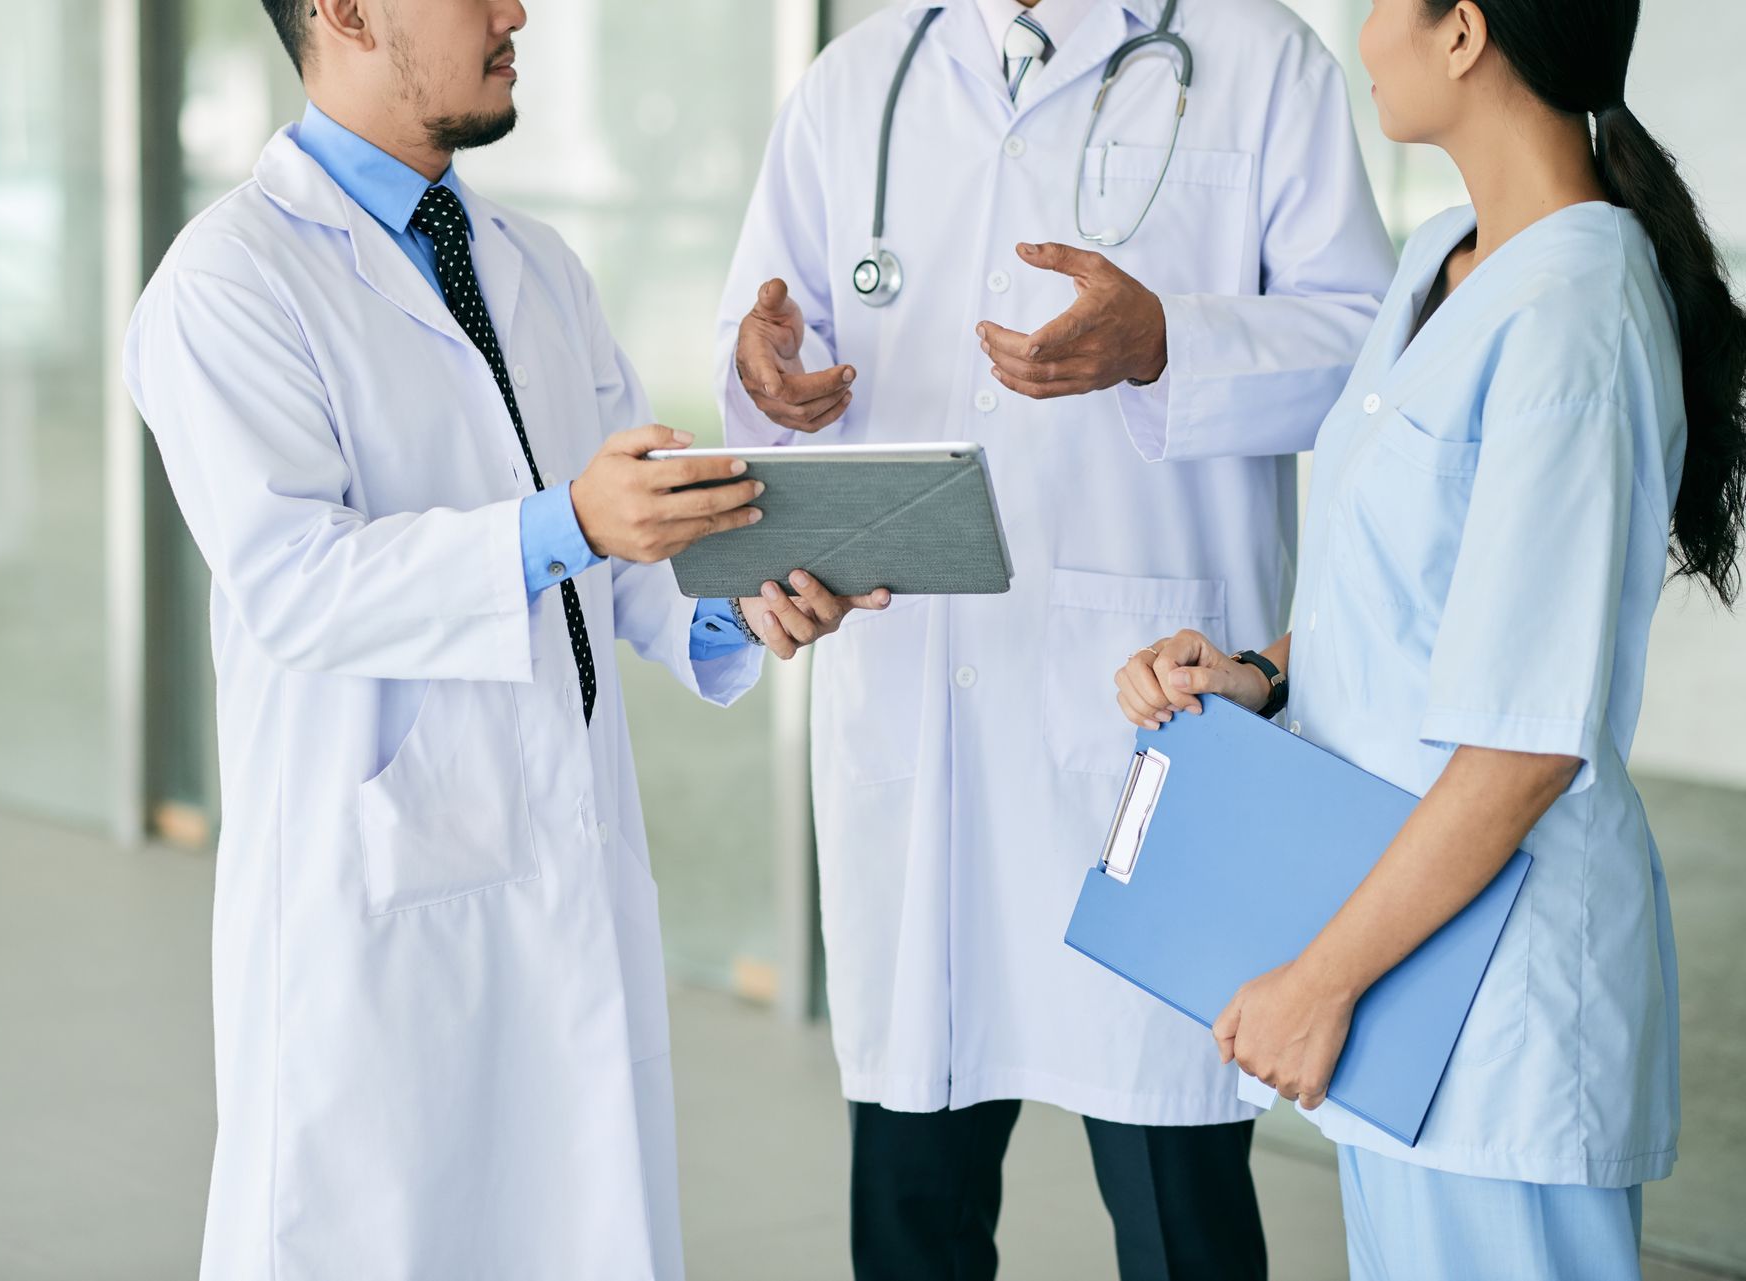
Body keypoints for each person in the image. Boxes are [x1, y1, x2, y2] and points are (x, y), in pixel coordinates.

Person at [124, 1, 884, 1276]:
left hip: (563, 875)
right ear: (345, 11)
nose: (514, 10)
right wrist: (567, 523)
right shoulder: (230, 280)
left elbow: (628, 563)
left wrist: (744, 595)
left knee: (576, 1221)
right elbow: (298, 587)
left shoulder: (533, 265)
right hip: (377, 906)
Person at [716, 1, 1395, 1276]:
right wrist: (761, 373)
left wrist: (1170, 343)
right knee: (913, 1195)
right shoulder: (857, 78)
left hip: (1143, 715)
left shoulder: (1258, 59)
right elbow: (762, 330)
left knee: (1176, 1200)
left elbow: (1363, 343)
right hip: (921, 704)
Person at [1113, 0, 1746, 1276]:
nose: (1358, 31)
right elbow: (1393, 593)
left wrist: (1322, 980)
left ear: (1465, 31)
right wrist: (1262, 674)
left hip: (1497, 1007)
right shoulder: (1442, 259)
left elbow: (1526, 747)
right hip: (1401, 977)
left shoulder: (1576, 313)